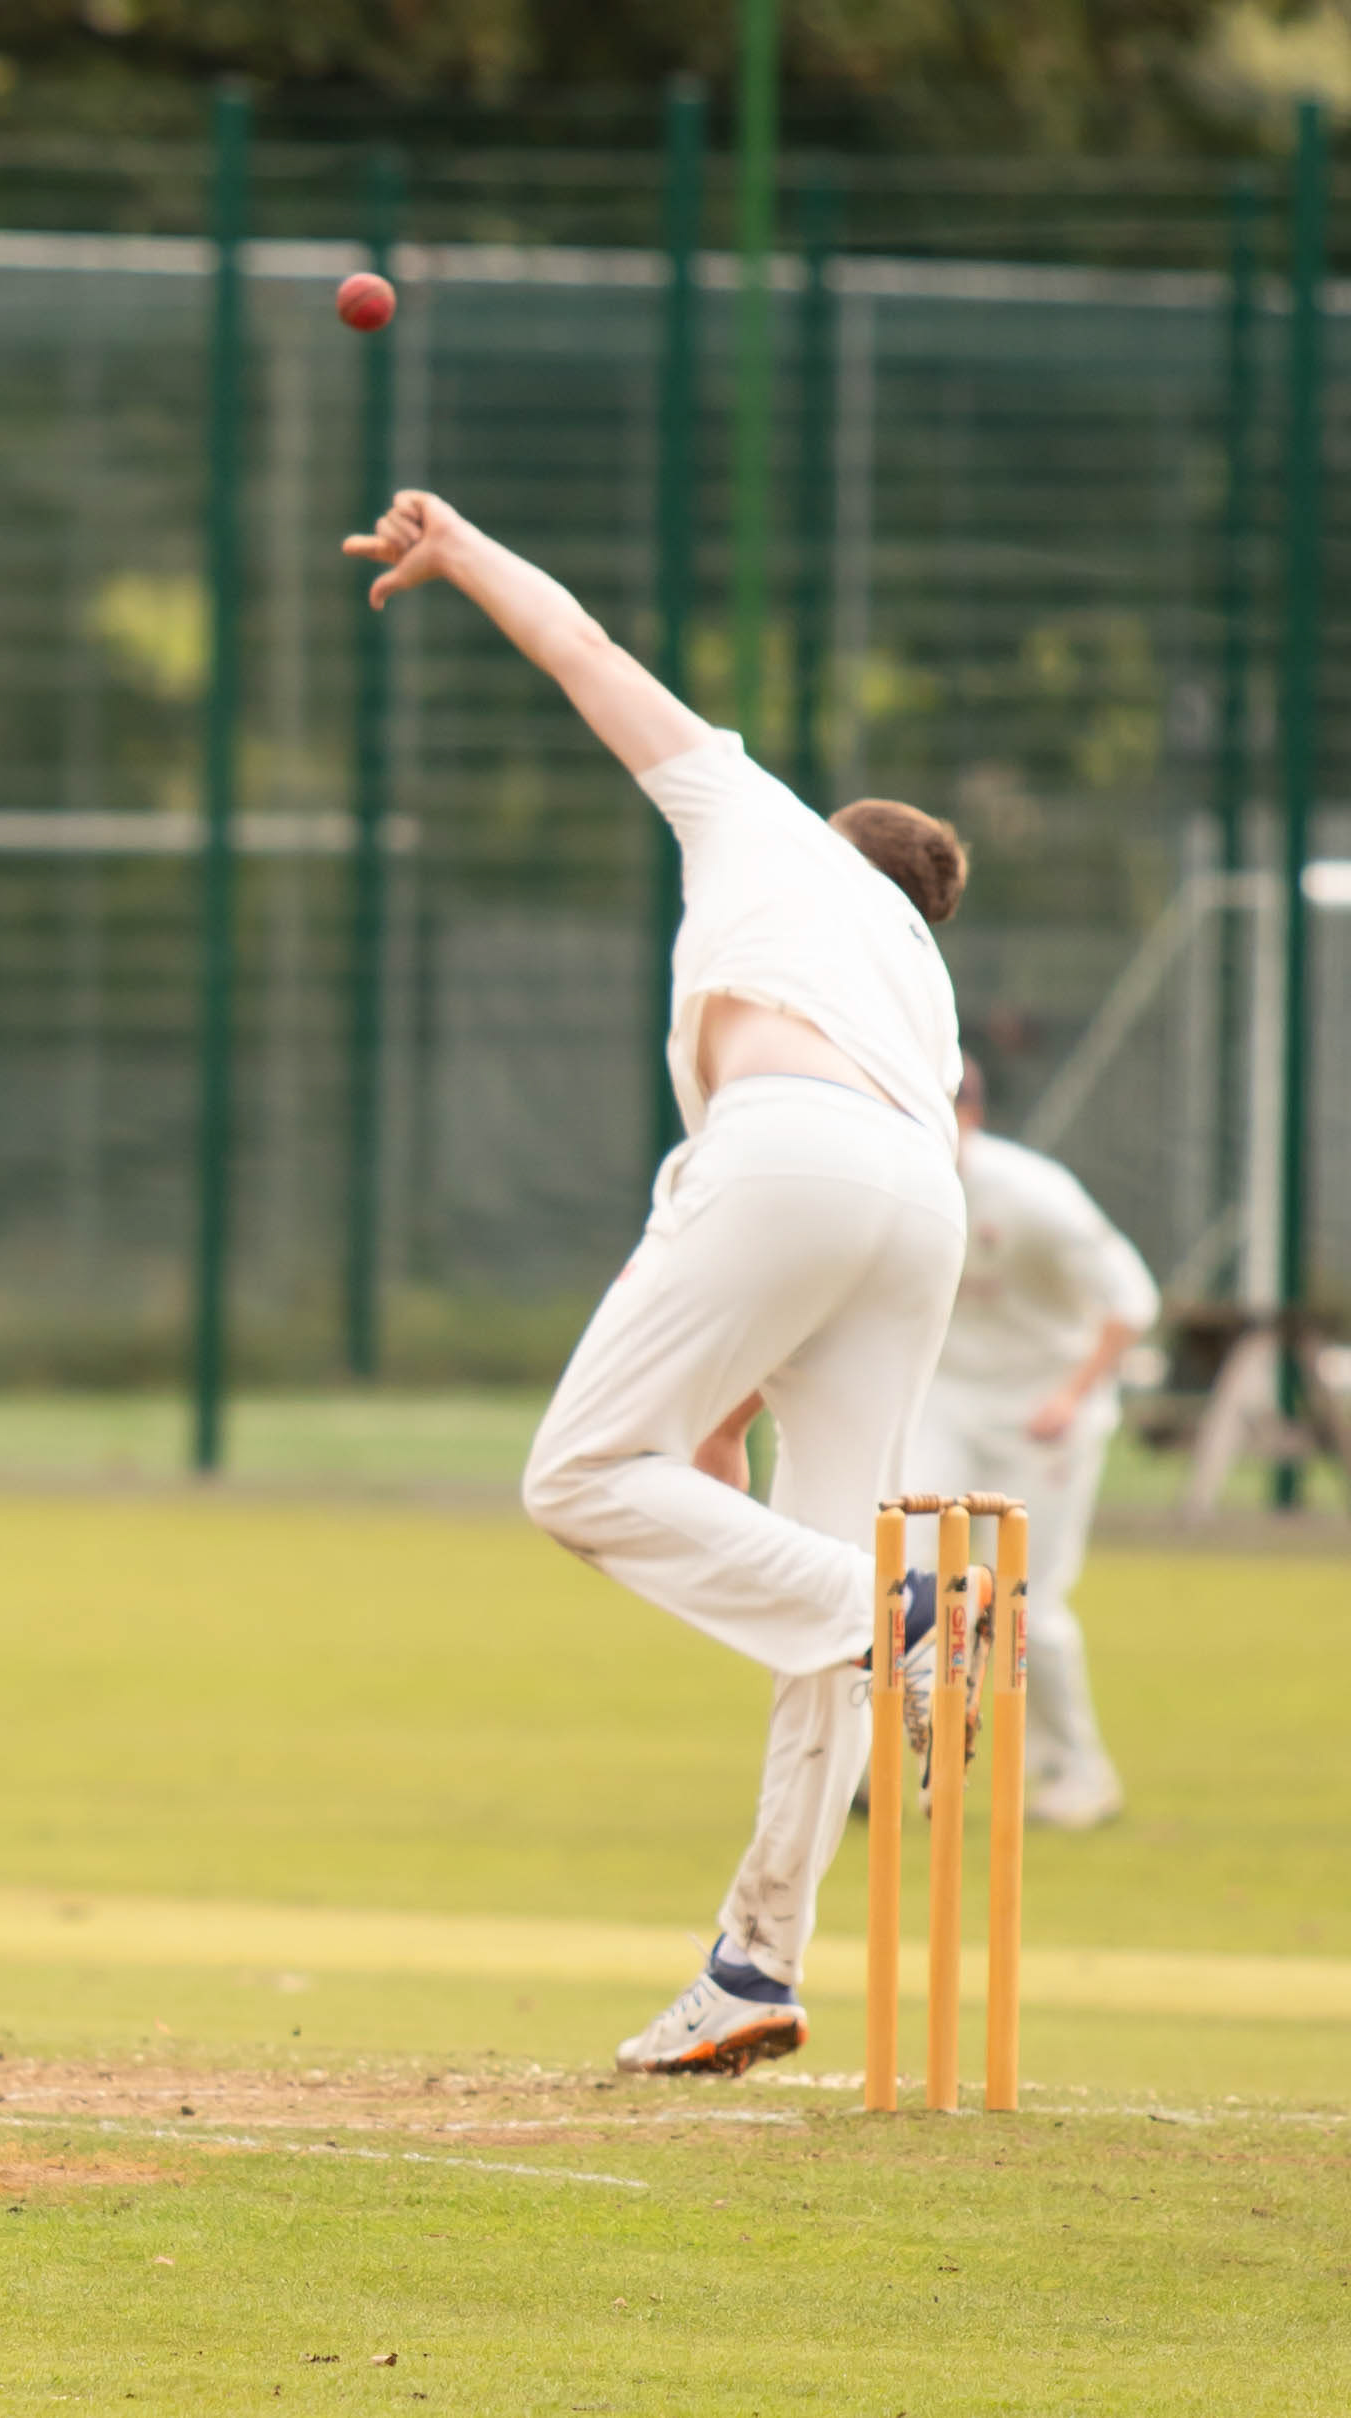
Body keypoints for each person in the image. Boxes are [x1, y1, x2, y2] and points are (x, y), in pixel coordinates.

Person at [345, 491, 970, 2075]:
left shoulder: (760, 821)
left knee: (577, 1477)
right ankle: (756, 1967)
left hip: (795, 1153)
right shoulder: (918, 974)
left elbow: (585, 648)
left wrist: (462, 546)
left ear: (832, 832)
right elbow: (723, 1439)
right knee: (829, 1577)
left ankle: (901, 1613)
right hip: (916, 1202)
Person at [909, 1053, 1160, 1829]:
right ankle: (898, 1760)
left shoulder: (1034, 1195)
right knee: (906, 1583)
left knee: (1026, 1605)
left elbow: (1133, 1301)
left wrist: (1070, 1394)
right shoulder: (892, 1189)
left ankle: (1080, 1771)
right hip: (945, 1403)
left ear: (970, 1117)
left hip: (1044, 1407)